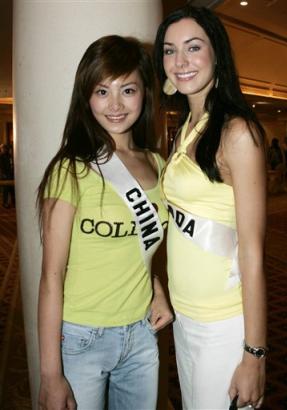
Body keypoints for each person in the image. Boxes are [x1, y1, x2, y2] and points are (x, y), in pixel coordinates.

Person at [37, 35, 173, 410]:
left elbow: (138, 246)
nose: (115, 105)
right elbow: (51, 277)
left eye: (127, 89)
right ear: (86, 97)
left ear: (144, 93)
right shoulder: (71, 170)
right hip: (82, 337)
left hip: (142, 334)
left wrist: (155, 285)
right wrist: (50, 374)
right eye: (102, 91)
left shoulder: (159, 165)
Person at [154, 6, 267, 410]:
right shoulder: (187, 126)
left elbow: (253, 251)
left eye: (193, 47)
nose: (180, 62)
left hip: (223, 321)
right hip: (185, 317)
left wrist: (253, 354)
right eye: (169, 50)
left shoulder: (237, 131)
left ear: (216, 52)